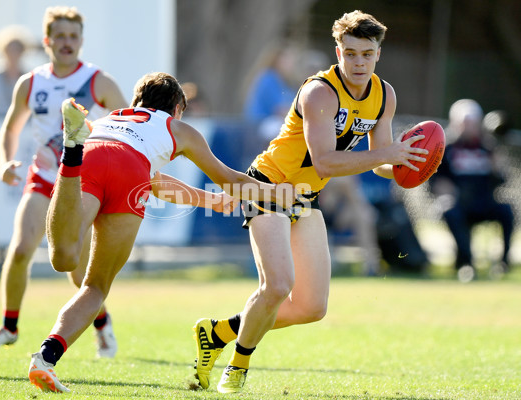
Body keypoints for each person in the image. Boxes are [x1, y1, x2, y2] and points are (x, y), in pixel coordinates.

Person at [192, 10, 429, 393]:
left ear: (378, 54)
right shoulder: (320, 91)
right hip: (268, 186)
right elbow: (326, 161)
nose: (358, 62)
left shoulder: (385, 95)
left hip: (305, 196)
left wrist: (408, 165)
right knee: (277, 287)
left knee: (311, 308)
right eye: (350, 53)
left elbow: (380, 157)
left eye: (366, 54)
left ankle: (218, 332)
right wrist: (390, 156)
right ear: (338, 52)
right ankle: (237, 366)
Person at [26, 72, 294, 393]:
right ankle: (44, 357)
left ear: (137, 101)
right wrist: (277, 193)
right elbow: (230, 179)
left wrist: (211, 201)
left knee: (64, 258)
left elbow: (156, 182)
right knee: (96, 287)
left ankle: (71, 152)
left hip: (93, 153)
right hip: (131, 171)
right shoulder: (177, 127)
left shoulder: (111, 118)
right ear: (179, 107)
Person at [0, 6, 128, 358]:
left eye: (73, 36)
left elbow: (128, 122)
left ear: (81, 42)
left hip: (83, 184)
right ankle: (8, 328)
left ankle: (102, 324)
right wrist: (4, 162)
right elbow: (10, 127)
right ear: (47, 41)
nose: (67, 42)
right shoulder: (31, 83)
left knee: (76, 271)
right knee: (20, 249)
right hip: (43, 178)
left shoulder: (97, 81)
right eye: (60, 36)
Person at [430, 99, 515, 282]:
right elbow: (435, 181)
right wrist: (445, 188)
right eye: (464, 123)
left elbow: (501, 180)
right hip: (458, 203)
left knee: (507, 210)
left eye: (472, 123)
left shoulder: (488, 147)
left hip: (483, 201)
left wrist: (496, 167)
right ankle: (466, 263)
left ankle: (503, 262)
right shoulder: (445, 148)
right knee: (450, 211)